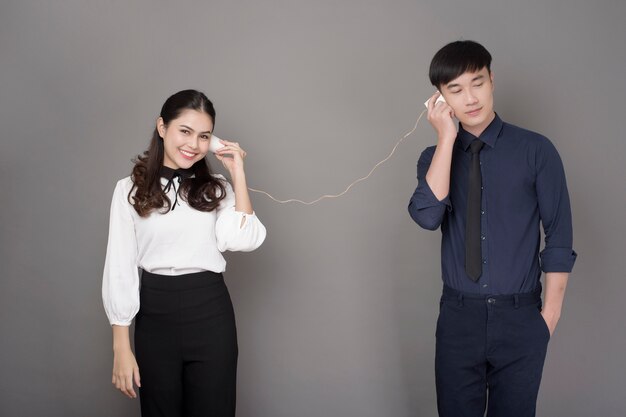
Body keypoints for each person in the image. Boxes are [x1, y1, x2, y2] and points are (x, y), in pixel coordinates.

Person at [408, 40, 577, 417]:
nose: (470, 98)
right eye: (455, 89)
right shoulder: (433, 158)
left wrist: (548, 318)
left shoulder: (536, 150)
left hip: (520, 318)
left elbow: (560, 237)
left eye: (477, 82)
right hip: (458, 318)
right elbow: (427, 216)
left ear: (492, 80)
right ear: (439, 99)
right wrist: (446, 138)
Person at [102, 89, 266, 416]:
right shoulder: (128, 190)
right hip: (155, 315)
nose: (193, 144)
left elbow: (242, 239)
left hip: (210, 312)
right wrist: (121, 344)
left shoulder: (217, 188)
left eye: (204, 136)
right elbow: (119, 265)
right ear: (162, 127)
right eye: (185, 131)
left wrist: (237, 173)